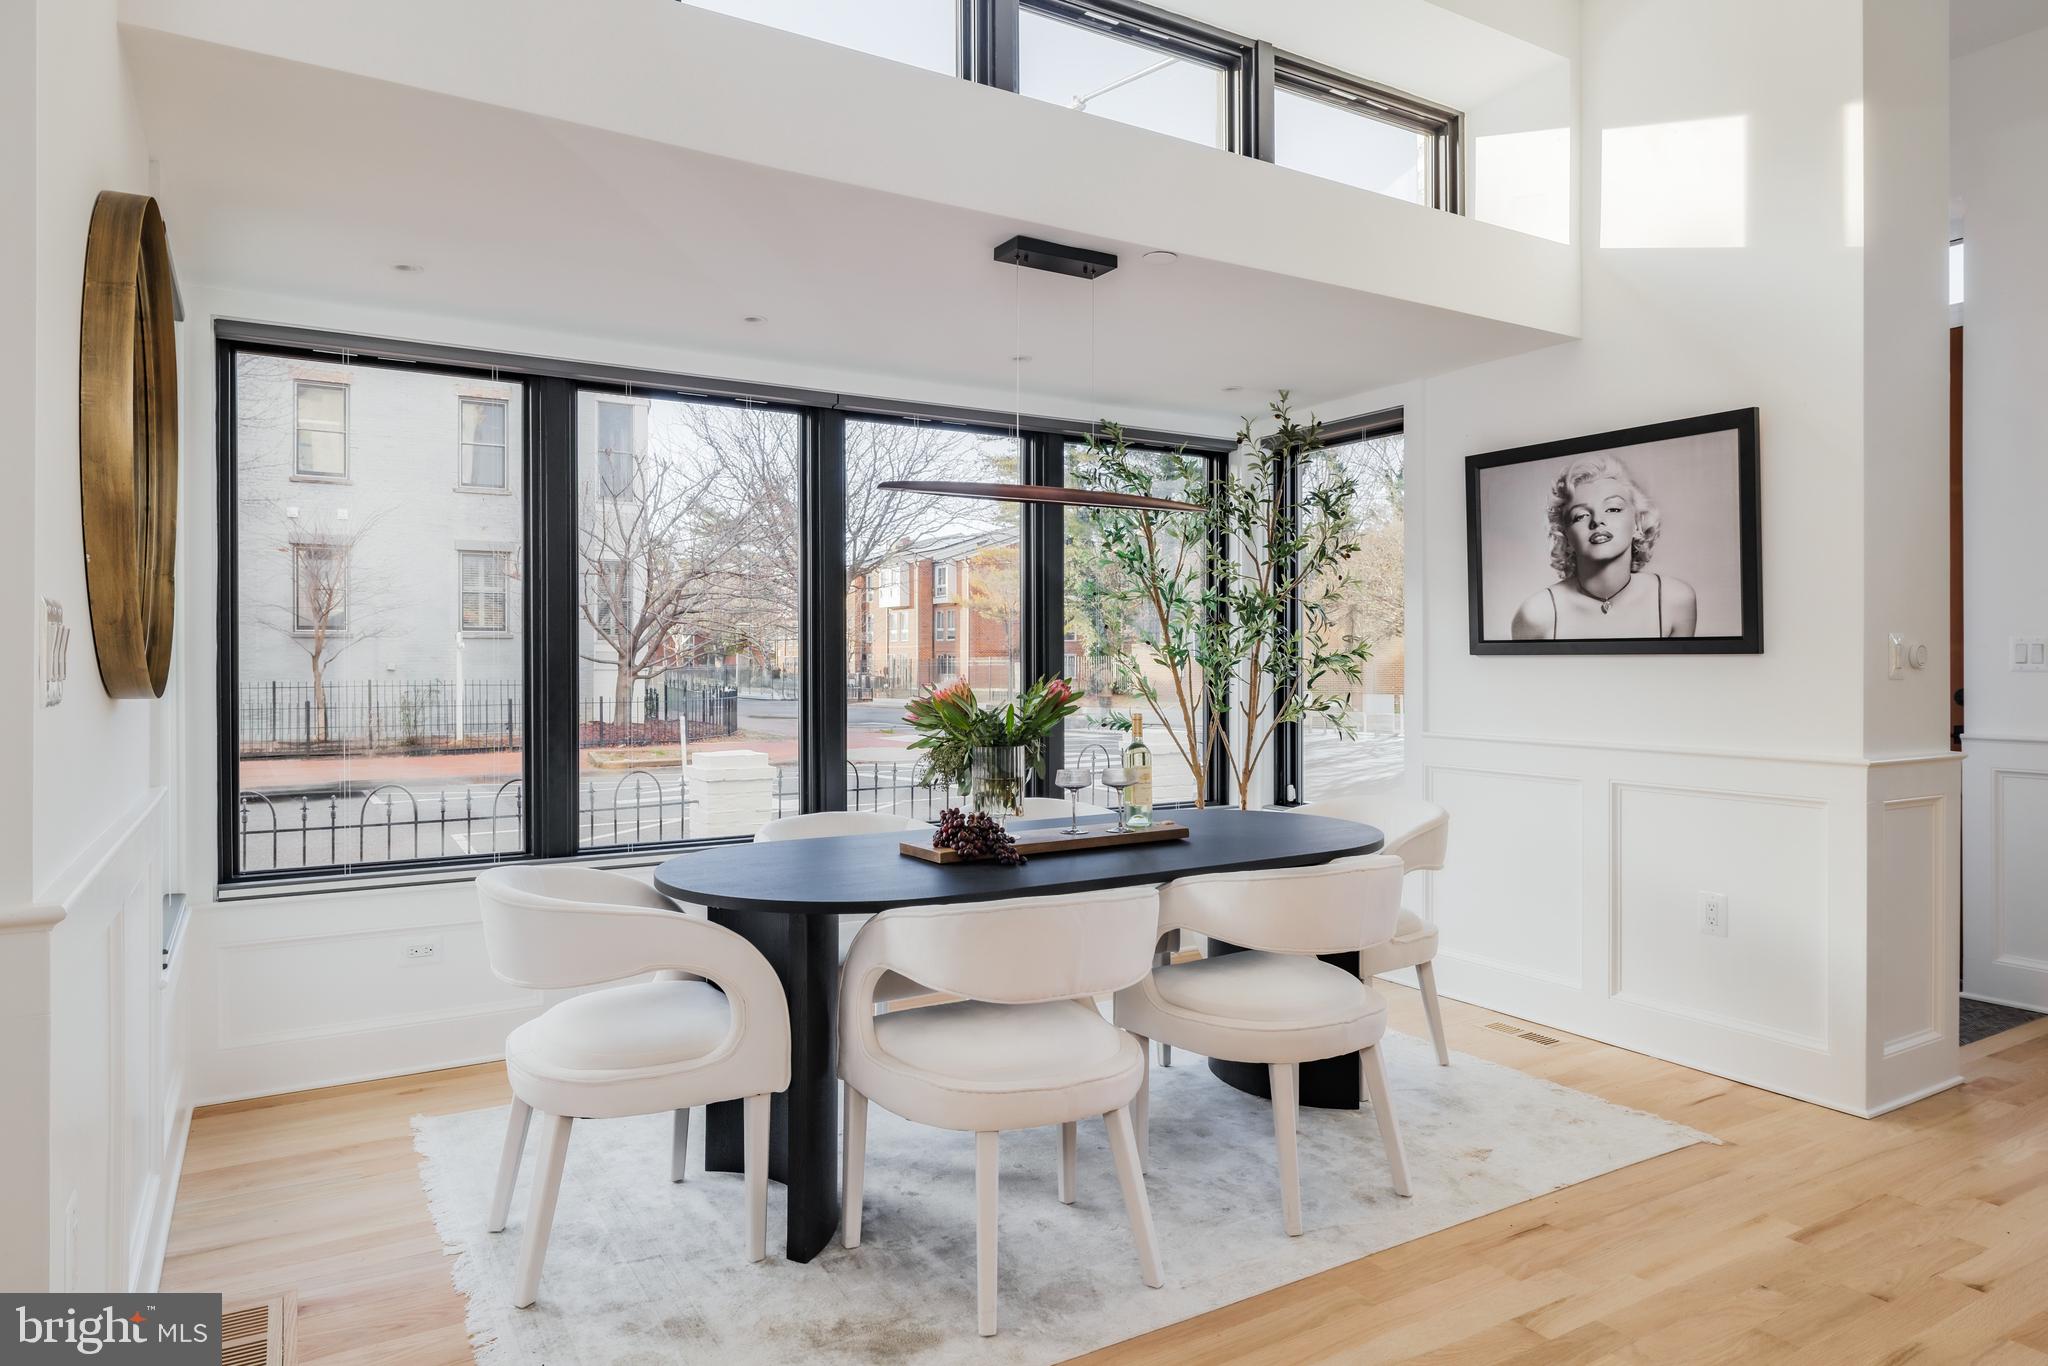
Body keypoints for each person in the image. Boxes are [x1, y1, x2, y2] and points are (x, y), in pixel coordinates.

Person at [1511, 453, 1696, 640]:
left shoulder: (1673, 600)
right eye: (1580, 516)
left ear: (1638, 523)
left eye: (1613, 509)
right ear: (1565, 536)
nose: (1597, 521)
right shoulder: (1537, 614)